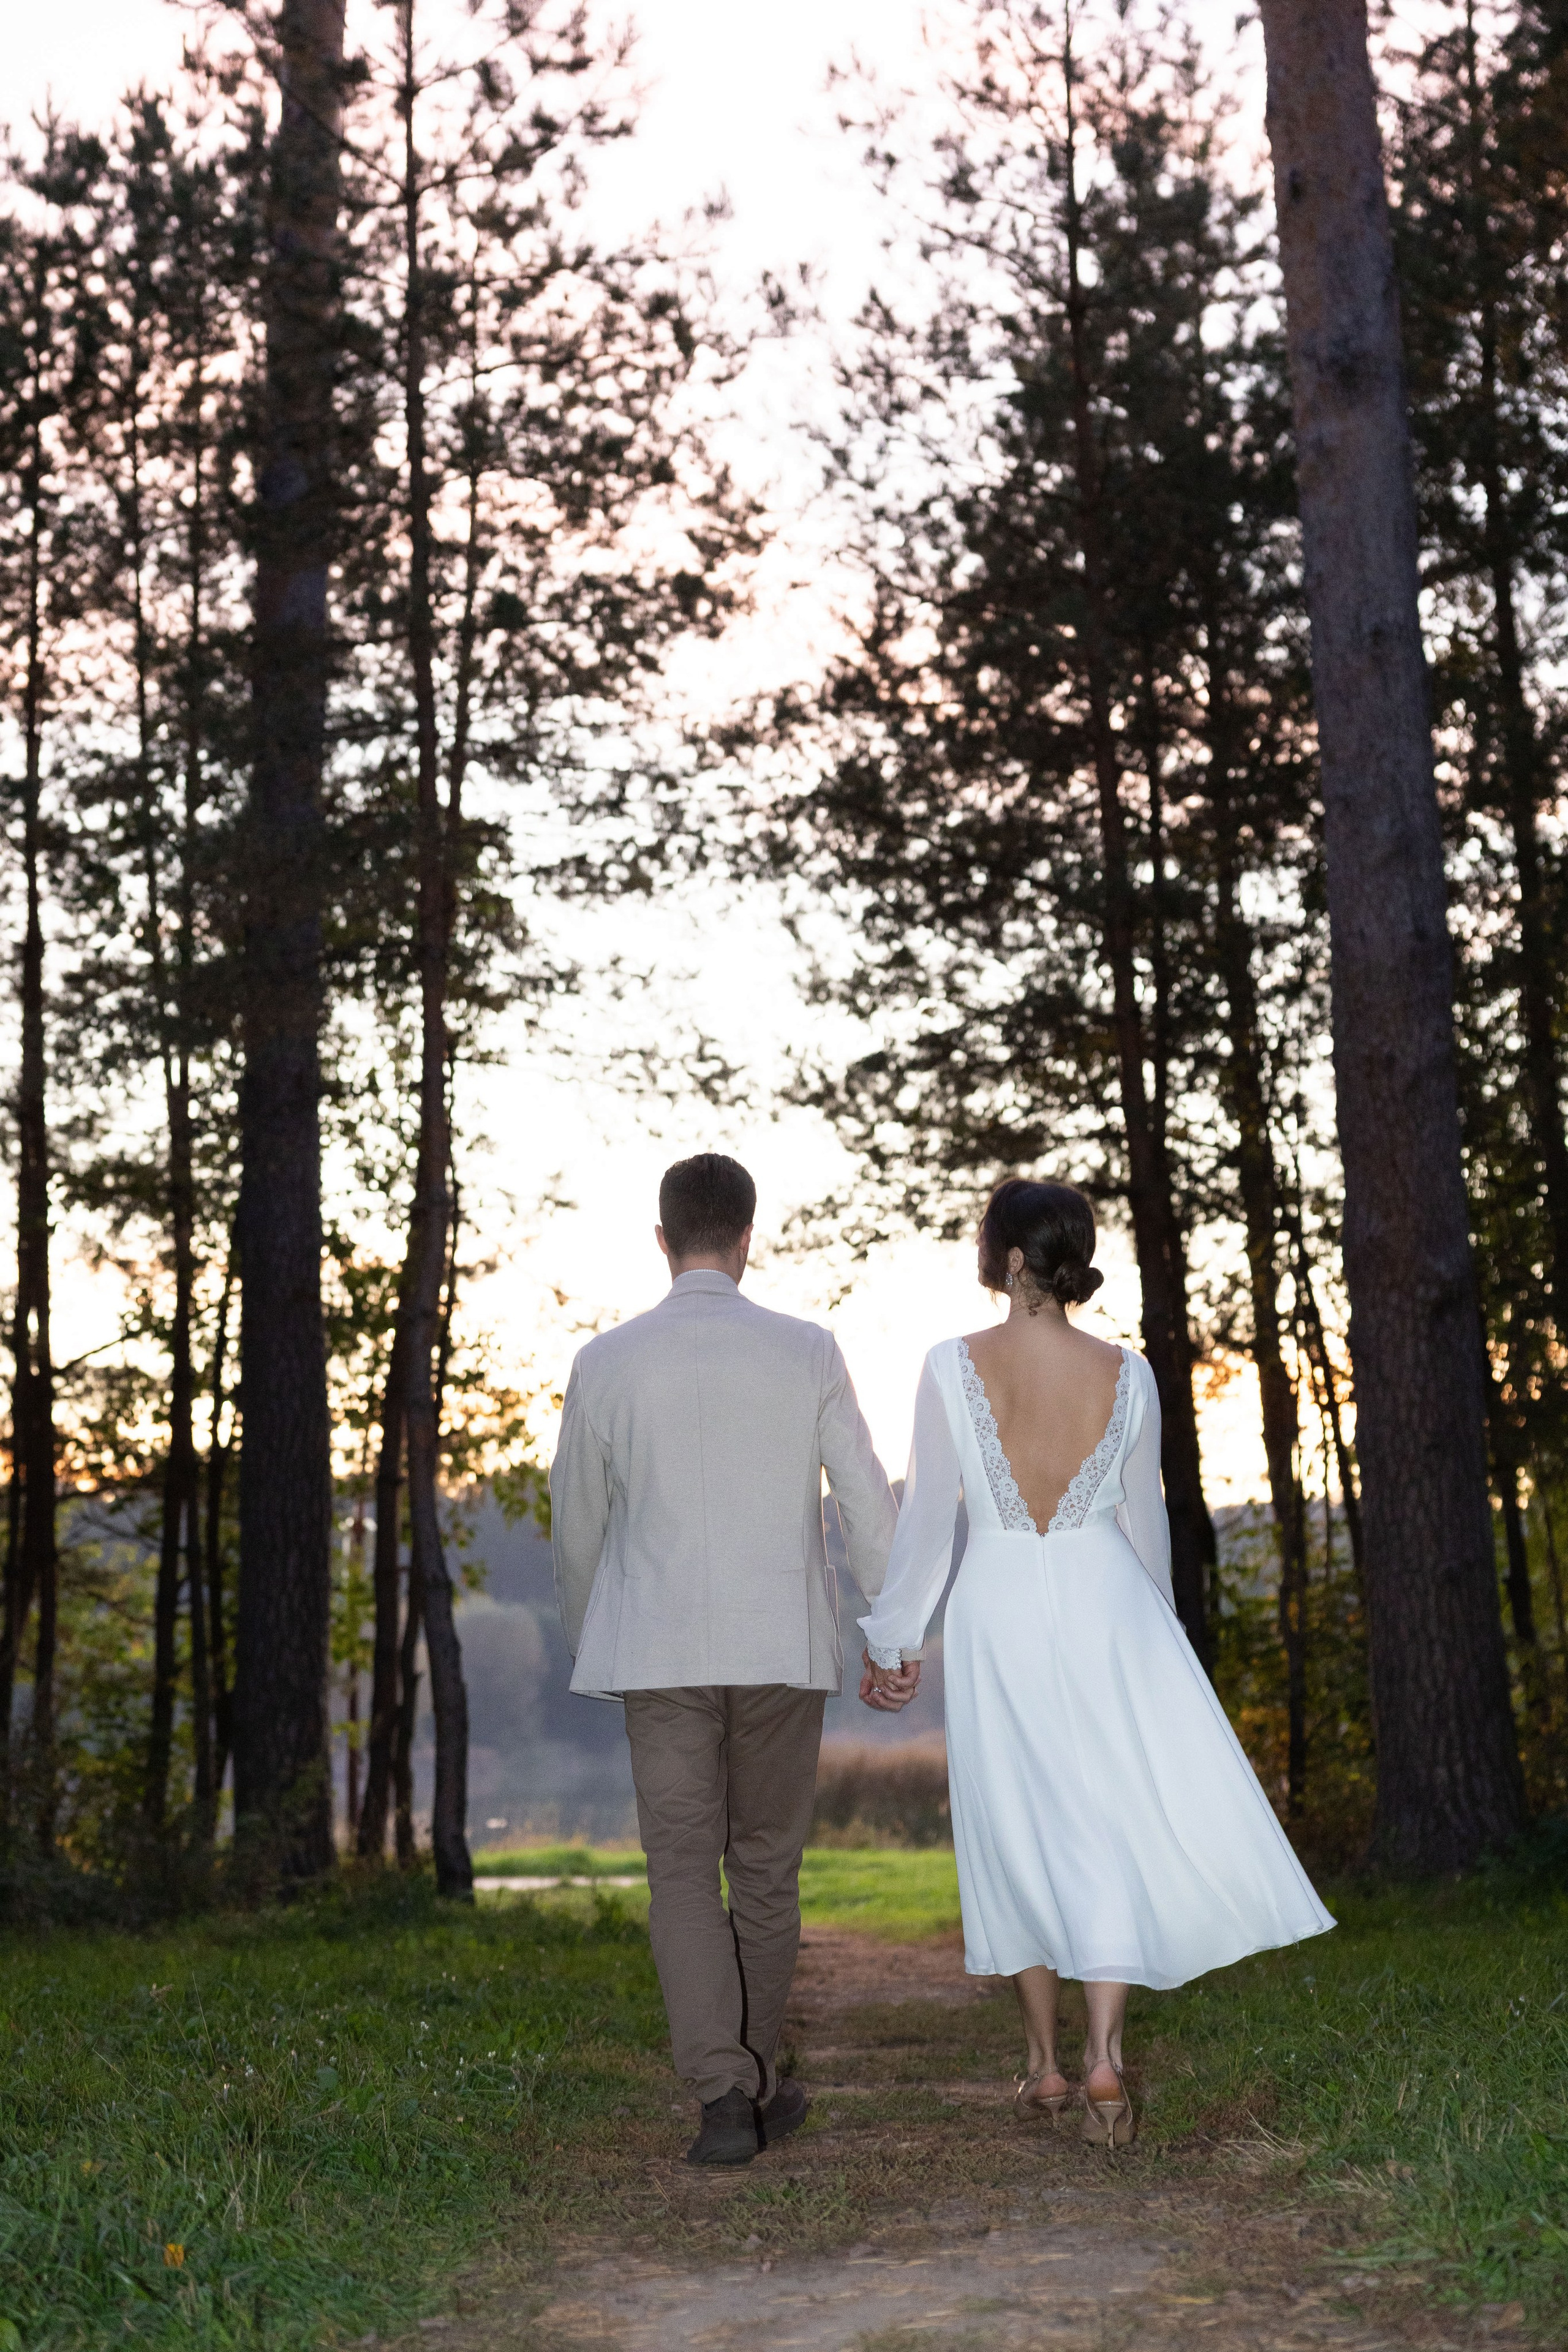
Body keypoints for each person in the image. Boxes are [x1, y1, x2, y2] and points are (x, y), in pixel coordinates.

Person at [858, 1178, 1334, 2147]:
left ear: (1010, 1258)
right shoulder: (1129, 1372)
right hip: (1108, 1607)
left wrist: (894, 1638)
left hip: (997, 1608)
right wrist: (1161, 1640)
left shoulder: (950, 1365)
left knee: (1016, 1823)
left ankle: (1040, 2066)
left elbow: (928, 1522)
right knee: (1105, 1823)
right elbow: (1142, 1518)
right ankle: (1104, 2062)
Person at [551, 1152, 898, 2165]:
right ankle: (752, 2073)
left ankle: (724, 2098)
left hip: (658, 1654)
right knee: (766, 1873)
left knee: (680, 1877)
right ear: (750, 1237)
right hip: (781, 1653)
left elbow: (578, 1524)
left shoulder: (605, 1362)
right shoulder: (808, 1350)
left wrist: (590, 1632)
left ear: (662, 1241)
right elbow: (867, 1501)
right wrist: (894, 1629)